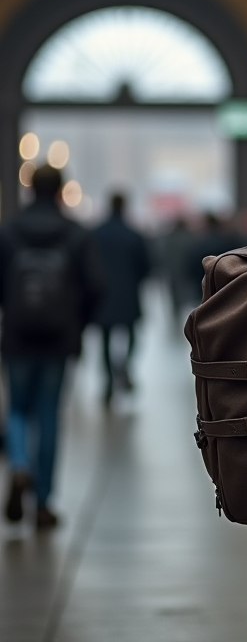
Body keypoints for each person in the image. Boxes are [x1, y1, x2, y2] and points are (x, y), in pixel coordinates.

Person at [0, 164, 104, 529]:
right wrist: (78, 323)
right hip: (59, 338)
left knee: (17, 409)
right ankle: (43, 502)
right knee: (48, 414)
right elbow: (95, 286)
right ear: (60, 190)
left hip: (17, 336)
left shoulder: (10, 232)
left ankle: (18, 465)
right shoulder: (75, 234)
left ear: (30, 188)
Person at [90, 192, 151, 404]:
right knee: (132, 335)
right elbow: (146, 267)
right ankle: (124, 367)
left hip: (103, 295)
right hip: (128, 294)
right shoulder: (133, 235)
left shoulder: (96, 234)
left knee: (105, 340)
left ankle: (108, 380)